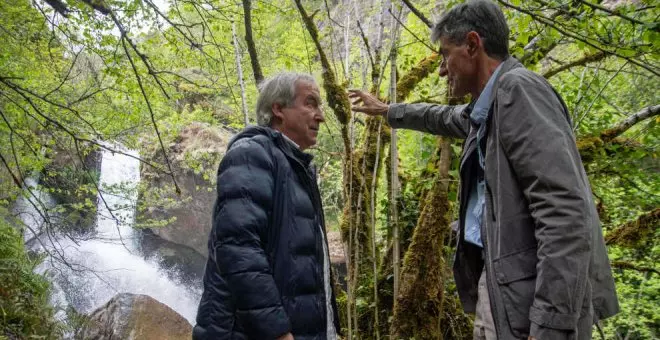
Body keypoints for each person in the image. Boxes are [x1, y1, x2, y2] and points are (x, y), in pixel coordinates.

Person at [349, 1, 618, 339]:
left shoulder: (519, 92)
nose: (442, 70)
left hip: (530, 297)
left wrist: (550, 321)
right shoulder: (487, 108)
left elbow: (565, 213)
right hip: (504, 284)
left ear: (473, 45)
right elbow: (444, 118)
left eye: (446, 54)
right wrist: (389, 111)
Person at [193, 72, 339, 340]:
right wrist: (277, 331)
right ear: (278, 109)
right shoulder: (252, 154)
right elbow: (238, 248)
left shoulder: (297, 168)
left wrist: (331, 328)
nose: (321, 116)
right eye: (311, 103)